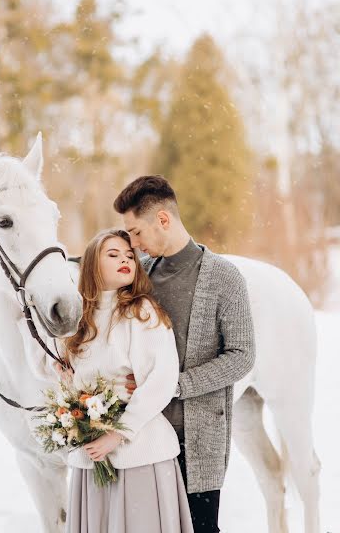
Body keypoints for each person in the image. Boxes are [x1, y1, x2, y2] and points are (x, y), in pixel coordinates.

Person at [113, 175, 256, 533]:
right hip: (142, 433)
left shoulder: (224, 277)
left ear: (163, 219)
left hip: (197, 440)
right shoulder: (139, 276)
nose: (132, 243)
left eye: (135, 232)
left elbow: (242, 355)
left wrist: (174, 385)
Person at [63, 228, 194, 533]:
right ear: (93, 263)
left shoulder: (141, 312)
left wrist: (117, 435)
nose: (126, 260)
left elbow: (160, 380)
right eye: (113, 254)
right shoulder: (80, 319)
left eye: (130, 255)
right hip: (92, 456)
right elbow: (79, 384)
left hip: (139, 454)